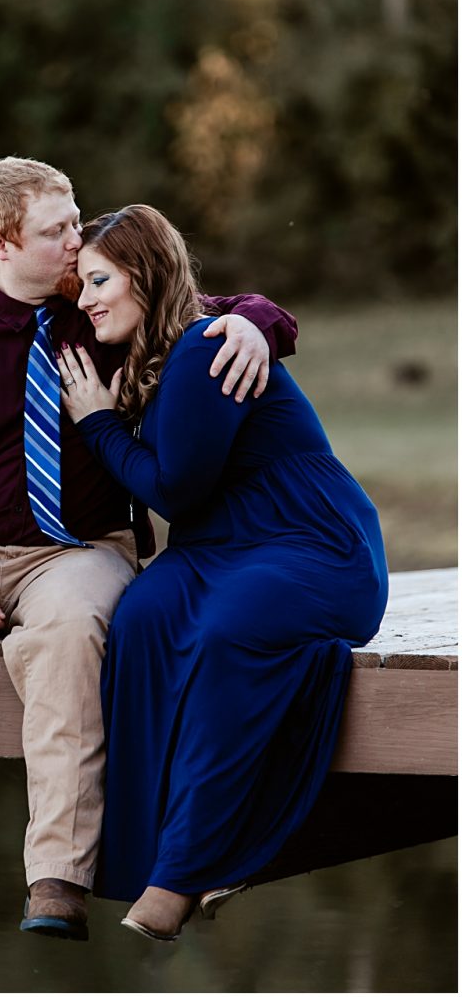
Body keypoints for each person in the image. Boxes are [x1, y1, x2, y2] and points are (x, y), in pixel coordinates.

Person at [0, 157, 298, 939]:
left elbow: (204, 304)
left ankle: (57, 875)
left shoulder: (102, 308)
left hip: (75, 550)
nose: (79, 240)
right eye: (58, 230)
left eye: (77, 221)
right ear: (0, 245)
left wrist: (256, 323)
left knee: (70, 633)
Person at [56, 204, 386, 941]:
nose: (86, 299)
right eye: (80, 284)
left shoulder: (207, 348)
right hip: (216, 549)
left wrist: (99, 424)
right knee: (141, 617)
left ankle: (183, 870)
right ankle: (141, 851)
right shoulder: (158, 339)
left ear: (142, 275)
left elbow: (175, 489)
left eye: (100, 279)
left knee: (227, 635)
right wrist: (258, 315)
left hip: (310, 544)